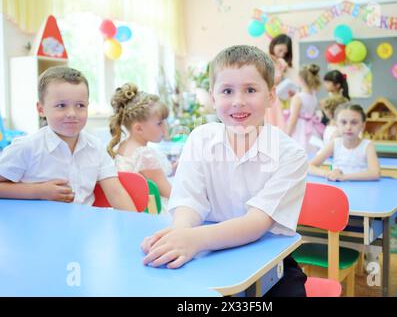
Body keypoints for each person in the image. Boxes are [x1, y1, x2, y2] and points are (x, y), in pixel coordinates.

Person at [140, 45, 308, 297]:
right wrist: (180, 233)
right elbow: (188, 201)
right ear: (213, 96)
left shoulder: (290, 154)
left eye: (250, 90)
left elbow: (256, 223)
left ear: (271, 96)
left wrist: (193, 240)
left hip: (269, 261)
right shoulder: (200, 138)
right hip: (207, 255)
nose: (238, 101)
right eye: (227, 91)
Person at [0, 66, 136, 211]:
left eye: (80, 105)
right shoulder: (27, 147)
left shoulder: (95, 147)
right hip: (36, 227)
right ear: (41, 109)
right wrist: (38, 191)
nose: (72, 113)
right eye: (61, 105)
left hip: (83, 227)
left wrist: (137, 225)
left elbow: (116, 193)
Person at [107, 83, 173, 211]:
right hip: (152, 211)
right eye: (159, 123)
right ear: (138, 128)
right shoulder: (145, 155)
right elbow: (170, 193)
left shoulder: (123, 146)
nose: (165, 129)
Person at [309, 103, 380, 182]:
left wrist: (344, 177)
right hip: (339, 190)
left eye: (354, 122)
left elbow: (375, 173)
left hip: (361, 189)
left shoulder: (368, 145)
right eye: (343, 122)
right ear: (337, 125)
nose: (348, 127)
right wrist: (328, 174)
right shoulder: (334, 143)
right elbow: (310, 166)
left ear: (363, 126)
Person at [286, 64, 324, 154]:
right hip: (312, 128)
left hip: (300, 129)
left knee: (298, 151)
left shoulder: (298, 97)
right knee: (310, 151)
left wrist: (287, 135)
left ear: (301, 80)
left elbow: (293, 119)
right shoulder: (313, 95)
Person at [265, 34, 294, 131]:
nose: (281, 54)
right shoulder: (264, 60)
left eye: (285, 53)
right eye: (280, 50)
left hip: (281, 101)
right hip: (269, 101)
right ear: (273, 45)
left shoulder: (283, 64)